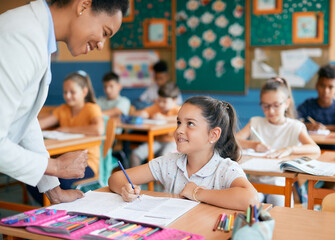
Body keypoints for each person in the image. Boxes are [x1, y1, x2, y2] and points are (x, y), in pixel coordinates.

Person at [0, 0, 128, 204]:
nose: (101, 44)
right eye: (104, 32)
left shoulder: (38, 38)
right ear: (84, 5)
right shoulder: (22, 38)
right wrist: (56, 167)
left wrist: (55, 191)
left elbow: (26, 119)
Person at [109, 96, 259, 210]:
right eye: (179, 122)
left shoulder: (224, 169)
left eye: (190, 124)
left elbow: (251, 199)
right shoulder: (169, 163)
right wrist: (125, 189)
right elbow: (116, 178)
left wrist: (197, 193)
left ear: (213, 135)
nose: (179, 130)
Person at [236, 77, 320, 206]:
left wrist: (289, 149)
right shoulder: (256, 122)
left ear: (287, 103)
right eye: (266, 106)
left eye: (276, 105)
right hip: (254, 183)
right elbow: (234, 140)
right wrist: (253, 145)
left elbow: (314, 149)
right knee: (248, 204)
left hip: (281, 184)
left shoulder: (294, 126)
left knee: (283, 209)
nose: (271, 111)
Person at [129, 82, 181, 167]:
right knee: (135, 154)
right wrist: (142, 114)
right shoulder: (156, 107)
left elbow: (182, 118)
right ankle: (136, 180)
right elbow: (136, 113)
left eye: (164, 101)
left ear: (174, 100)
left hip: (173, 142)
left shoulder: (179, 109)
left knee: (164, 159)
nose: (161, 104)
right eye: (159, 100)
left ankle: (158, 181)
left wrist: (165, 118)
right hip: (157, 141)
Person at [297, 64, 335, 134]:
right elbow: (292, 121)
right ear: (316, 85)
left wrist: (326, 128)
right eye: (322, 86)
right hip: (312, 144)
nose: (326, 91)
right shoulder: (308, 104)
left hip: (334, 144)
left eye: (331, 87)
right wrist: (307, 126)